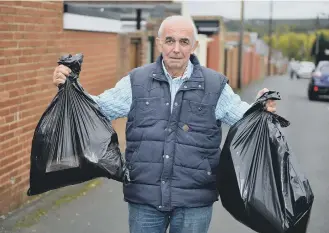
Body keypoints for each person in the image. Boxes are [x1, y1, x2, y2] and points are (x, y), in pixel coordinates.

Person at [52, 15, 276, 233]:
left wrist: (260, 108)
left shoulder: (215, 86)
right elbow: (98, 109)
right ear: (159, 43)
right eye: (169, 40)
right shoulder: (136, 82)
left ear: (194, 45)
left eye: (184, 41)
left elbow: (244, 118)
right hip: (145, 199)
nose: (176, 49)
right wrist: (70, 87)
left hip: (194, 201)